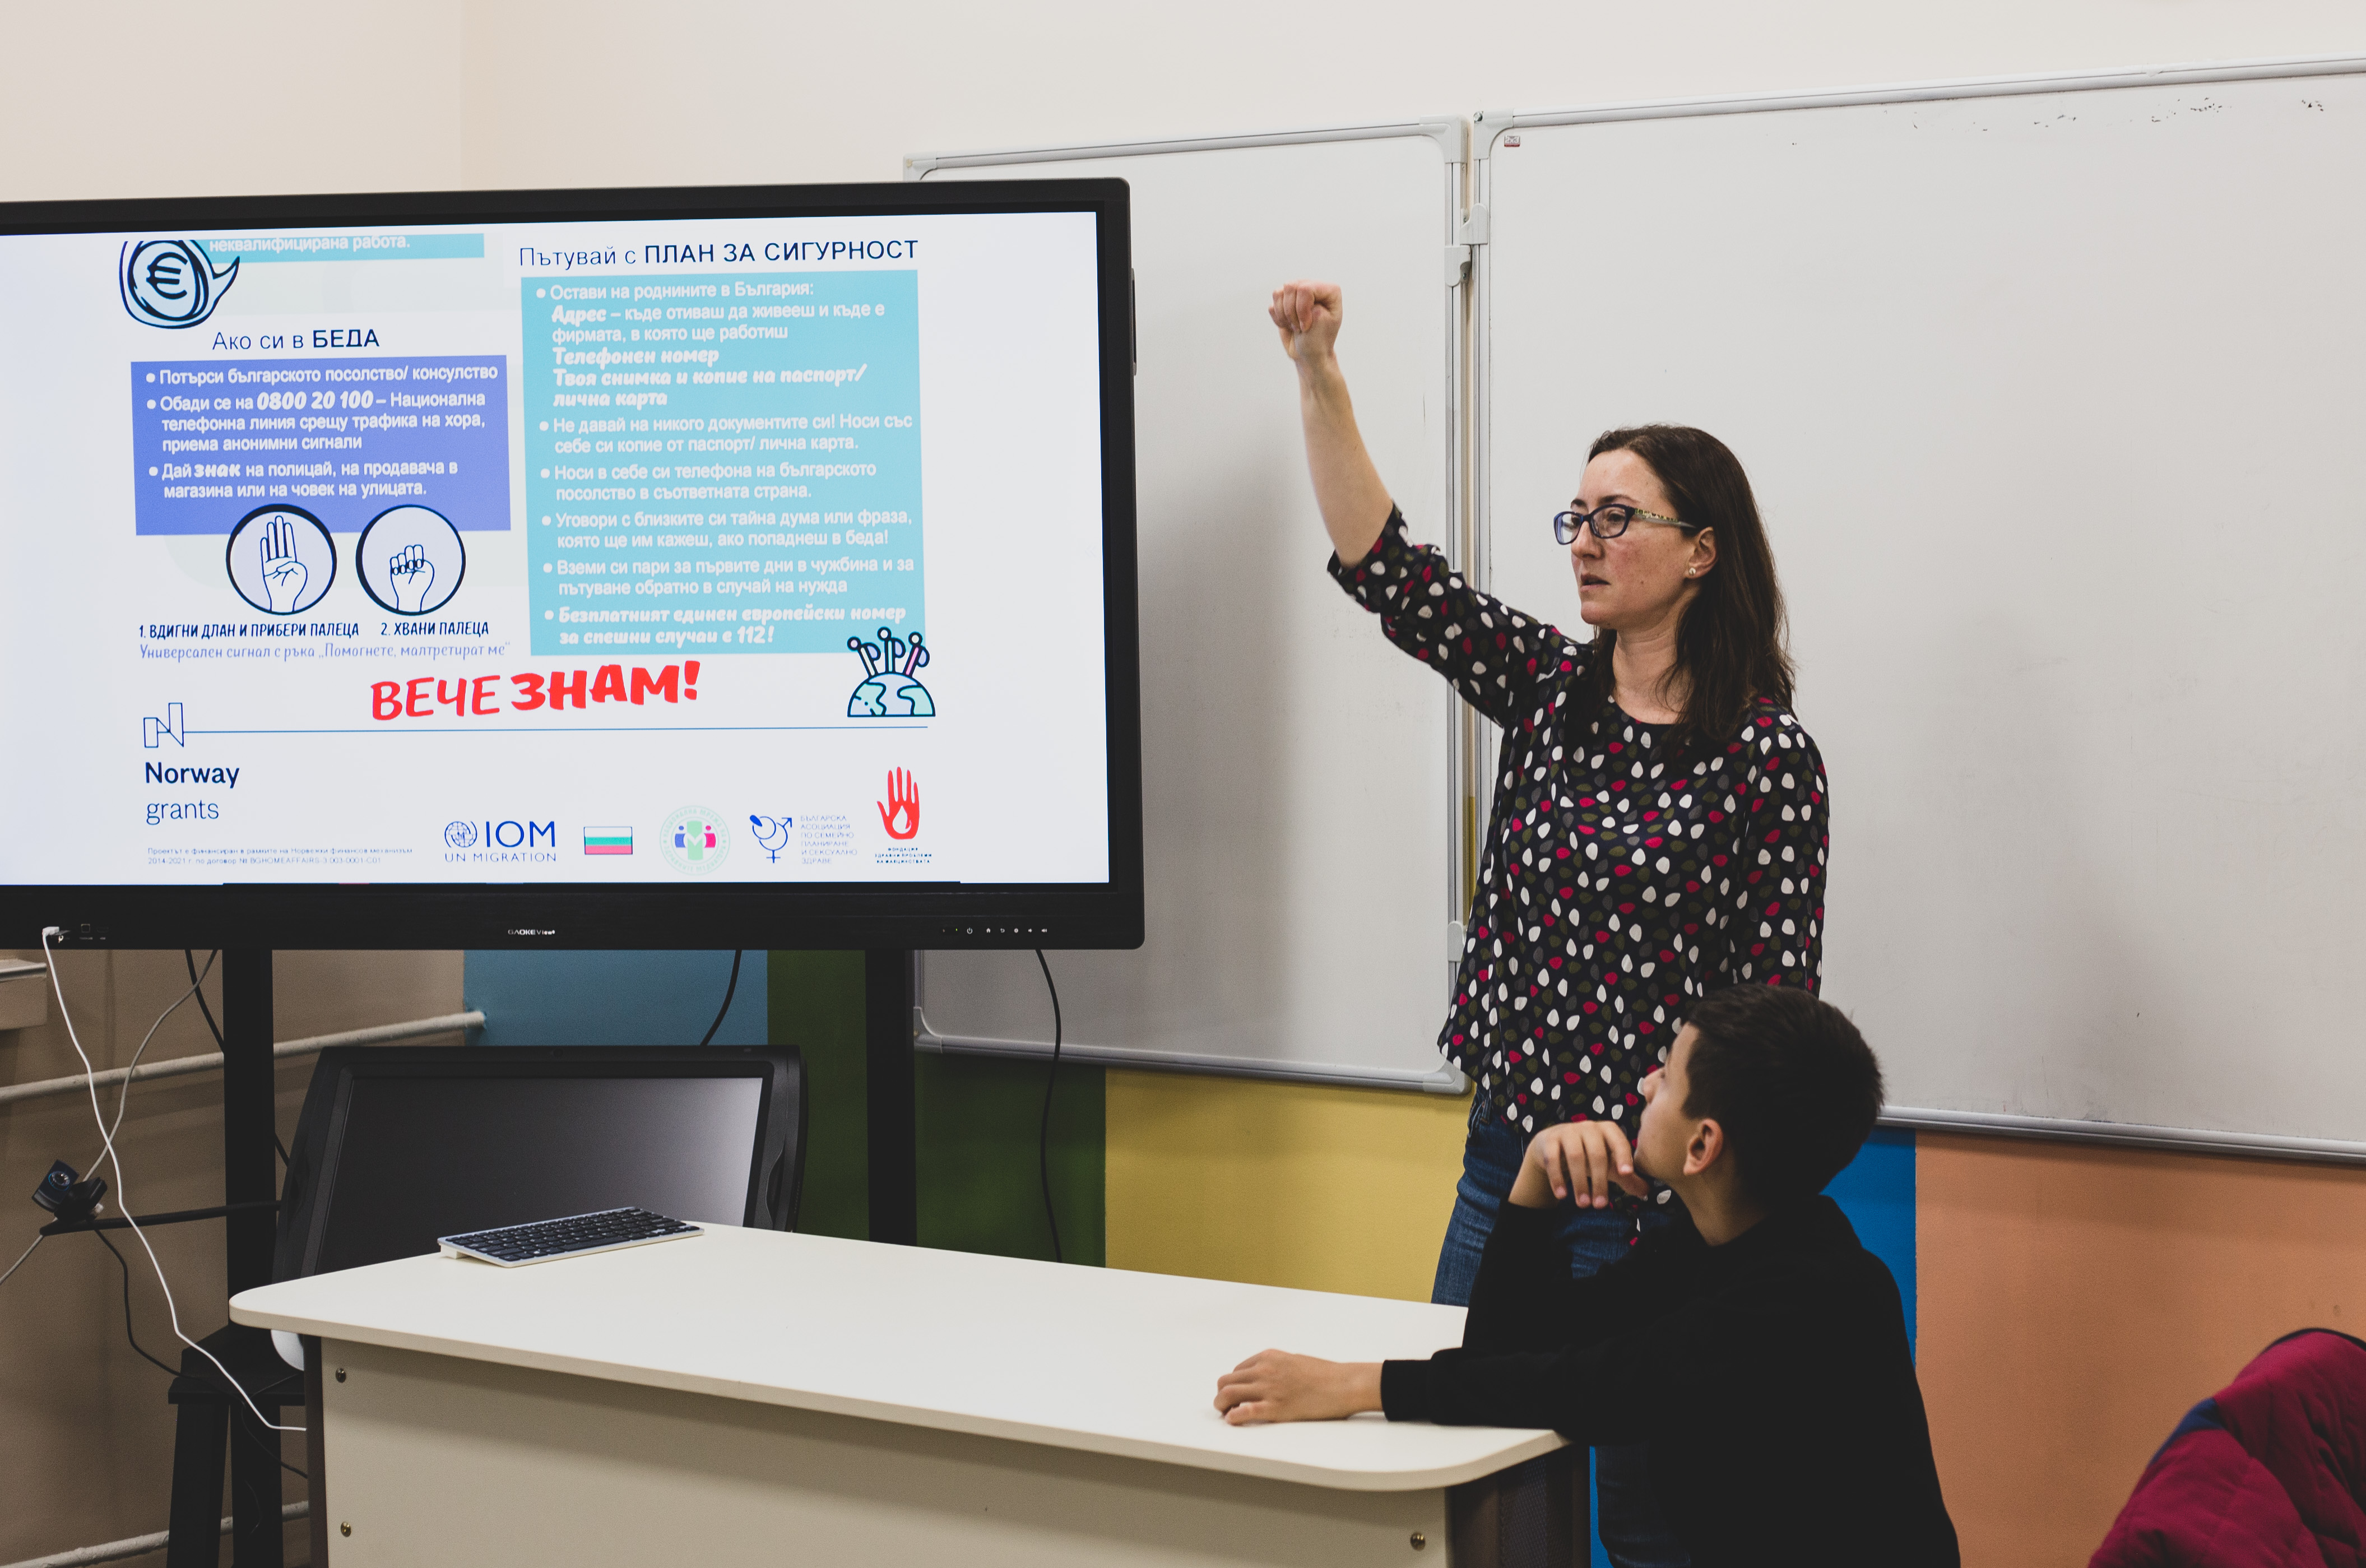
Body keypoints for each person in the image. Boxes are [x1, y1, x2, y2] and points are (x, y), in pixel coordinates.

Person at [1267, 277, 1831, 1564]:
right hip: (1505, 1171)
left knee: (1645, 1517)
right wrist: (1318, 374)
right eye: (1574, 515)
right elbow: (1387, 570)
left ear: (1701, 550)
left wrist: (1641, 1136)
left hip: (1658, 1213)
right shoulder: (1548, 690)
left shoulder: (1763, 760)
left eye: (1616, 517)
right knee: (1461, 1482)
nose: (1582, 539)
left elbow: (1769, 1017)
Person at [1212, 984, 1957, 1568]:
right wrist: (1534, 1171)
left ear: (1702, 1144)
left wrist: (1353, 1385)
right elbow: (1504, 1353)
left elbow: (1577, 1385)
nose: (1641, 1085)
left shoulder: (1810, 1299)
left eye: (1663, 1078)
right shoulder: (1720, 1244)